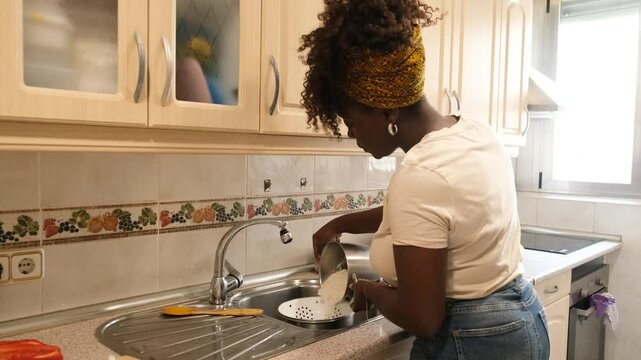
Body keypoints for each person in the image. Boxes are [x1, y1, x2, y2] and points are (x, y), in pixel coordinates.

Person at [299, 1, 550, 359]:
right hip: (523, 320)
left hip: (473, 340)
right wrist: (340, 223)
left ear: (386, 110)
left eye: (352, 122)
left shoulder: (420, 173)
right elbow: (429, 215)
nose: (353, 136)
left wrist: (369, 290)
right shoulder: (473, 131)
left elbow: (423, 317)